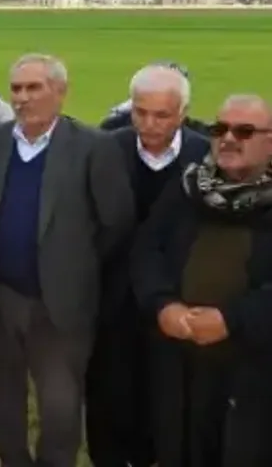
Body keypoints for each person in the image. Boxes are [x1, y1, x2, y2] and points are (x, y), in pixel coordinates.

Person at [0, 54, 134, 467]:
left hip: (61, 303)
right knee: (1, 401)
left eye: (34, 88)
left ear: (60, 92)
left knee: (60, 406)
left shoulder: (93, 147)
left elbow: (115, 223)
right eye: (16, 89)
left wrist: (74, 267)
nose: (22, 98)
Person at [132, 94, 272, 467]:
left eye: (244, 131)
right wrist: (163, 304)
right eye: (220, 129)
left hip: (252, 366)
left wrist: (231, 320)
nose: (229, 139)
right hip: (180, 358)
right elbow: (147, 249)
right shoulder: (188, 186)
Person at [89, 64, 208, 467]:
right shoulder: (106, 148)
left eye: (162, 115)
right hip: (113, 302)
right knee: (110, 398)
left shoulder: (205, 156)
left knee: (169, 403)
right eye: (140, 112)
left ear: (183, 113)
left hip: (177, 302)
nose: (149, 124)